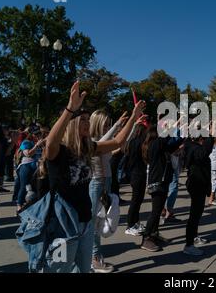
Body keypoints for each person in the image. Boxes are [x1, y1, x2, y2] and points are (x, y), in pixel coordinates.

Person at [43, 81, 145, 273]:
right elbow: (49, 143)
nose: (87, 123)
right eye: (83, 119)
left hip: (85, 222)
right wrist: (70, 109)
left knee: (83, 268)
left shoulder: (88, 148)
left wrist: (133, 117)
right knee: (59, 269)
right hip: (62, 225)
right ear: (72, 123)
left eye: (88, 120)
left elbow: (117, 141)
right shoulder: (59, 151)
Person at [88, 109, 131, 273]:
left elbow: (117, 143)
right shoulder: (91, 141)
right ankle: (94, 258)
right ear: (97, 123)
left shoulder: (101, 140)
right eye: (105, 124)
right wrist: (118, 125)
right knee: (93, 222)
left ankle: (93, 257)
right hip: (96, 183)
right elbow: (104, 143)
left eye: (108, 124)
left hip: (105, 182)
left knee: (99, 221)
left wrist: (131, 125)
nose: (107, 127)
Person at [140, 124, 183, 252]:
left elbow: (174, 145)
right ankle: (146, 238)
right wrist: (171, 128)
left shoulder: (161, 146)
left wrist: (183, 132)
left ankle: (154, 234)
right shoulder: (154, 145)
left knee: (158, 212)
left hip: (163, 182)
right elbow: (165, 139)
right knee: (155, 212)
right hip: (157, 183)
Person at [183, 134, 214, 256]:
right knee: (194, 215)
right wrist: (211, 136)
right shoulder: (194, 148)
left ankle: (194, 237)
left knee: (197, 213)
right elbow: (204, 153)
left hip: (199, 184)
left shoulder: (193, 146)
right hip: (196, 185)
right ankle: (188, 245)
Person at [125, 122, 149, 237]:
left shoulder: (132, 142)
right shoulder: (139, 143)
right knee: (136, 200)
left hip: (135, 173)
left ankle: (135, 222)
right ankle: (130, 225)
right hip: (137, 173)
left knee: (138, 200)